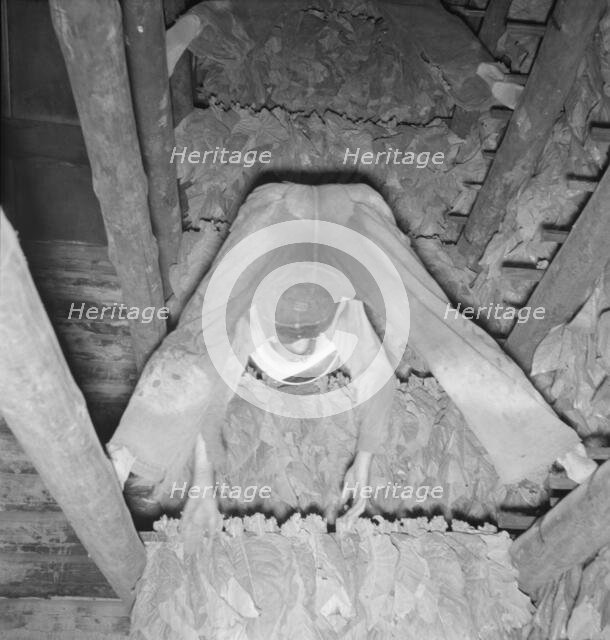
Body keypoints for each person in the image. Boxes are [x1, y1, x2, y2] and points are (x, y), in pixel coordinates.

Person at [108, 183, 596, 545]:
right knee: (197, 342)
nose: (301, 352)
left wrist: (363, 460)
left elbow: (375, 381)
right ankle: (126, 451)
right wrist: (201, 487)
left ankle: (556, 444)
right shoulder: (256, 323)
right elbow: (207, 396)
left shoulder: (333, 318)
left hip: (317, 214)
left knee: (442, 330)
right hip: (304, 215)